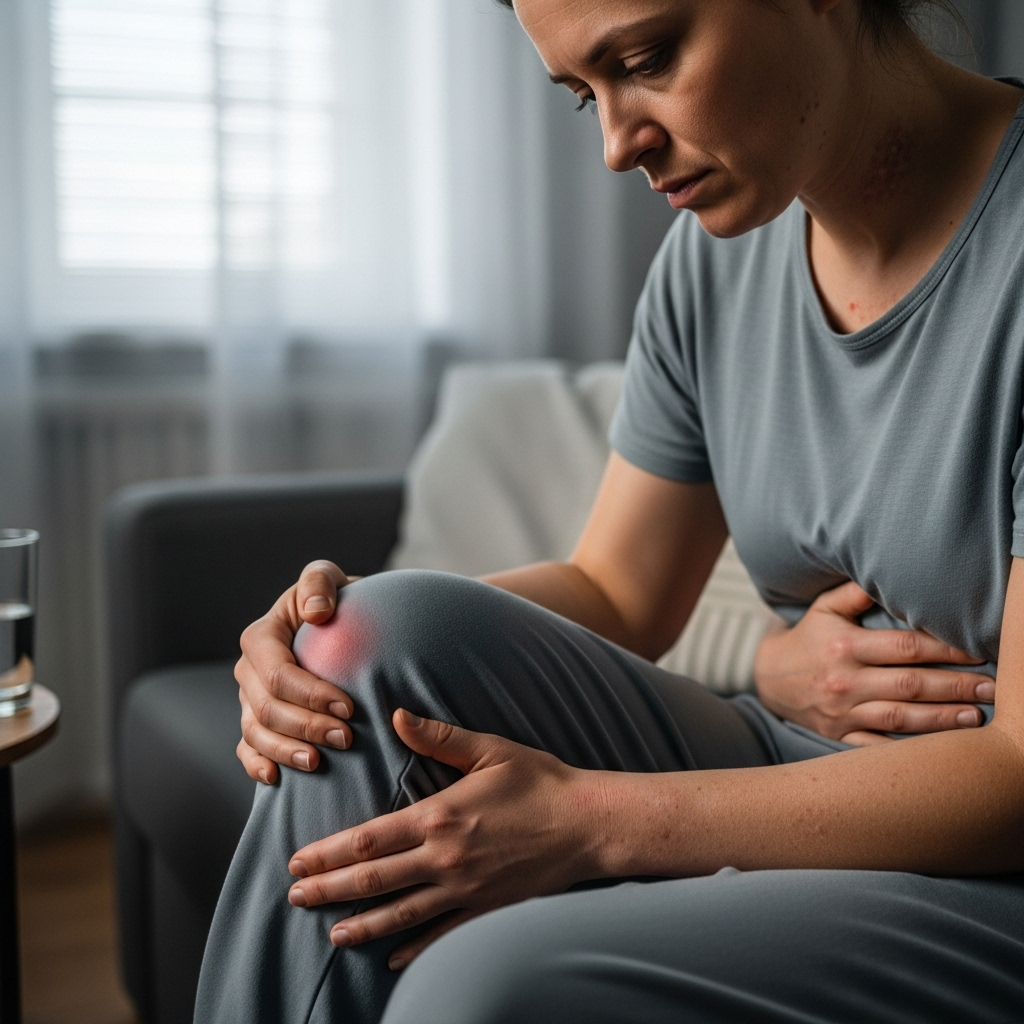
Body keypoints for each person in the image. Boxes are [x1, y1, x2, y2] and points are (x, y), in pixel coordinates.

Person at [194, 1, 1024, 1021]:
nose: (617, 144)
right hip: (799, 760)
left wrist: (591, 819)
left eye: (647, 58)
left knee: (479, 985)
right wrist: (331, 624)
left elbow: (1017, 772)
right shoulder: (713, 262)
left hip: (994, 856)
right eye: (586, 95)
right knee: (365, 643)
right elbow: (617, 591)